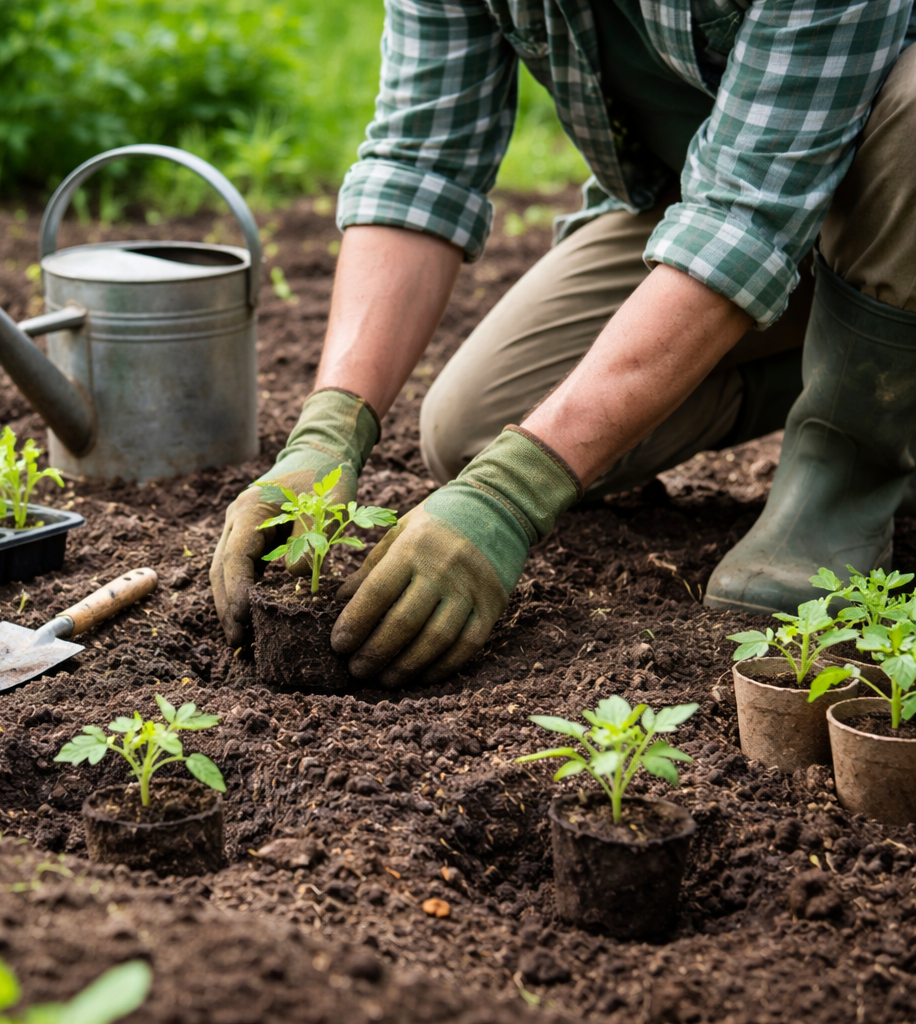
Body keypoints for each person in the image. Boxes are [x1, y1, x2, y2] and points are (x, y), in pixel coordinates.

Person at [212, 0, 916, 687]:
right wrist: (326, 434)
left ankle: (846, 463)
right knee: (482, 429)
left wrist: (512, 492)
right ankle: (872, 363)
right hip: (697, 197)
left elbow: (747, 217)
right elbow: (418, 166)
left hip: (856, 184)